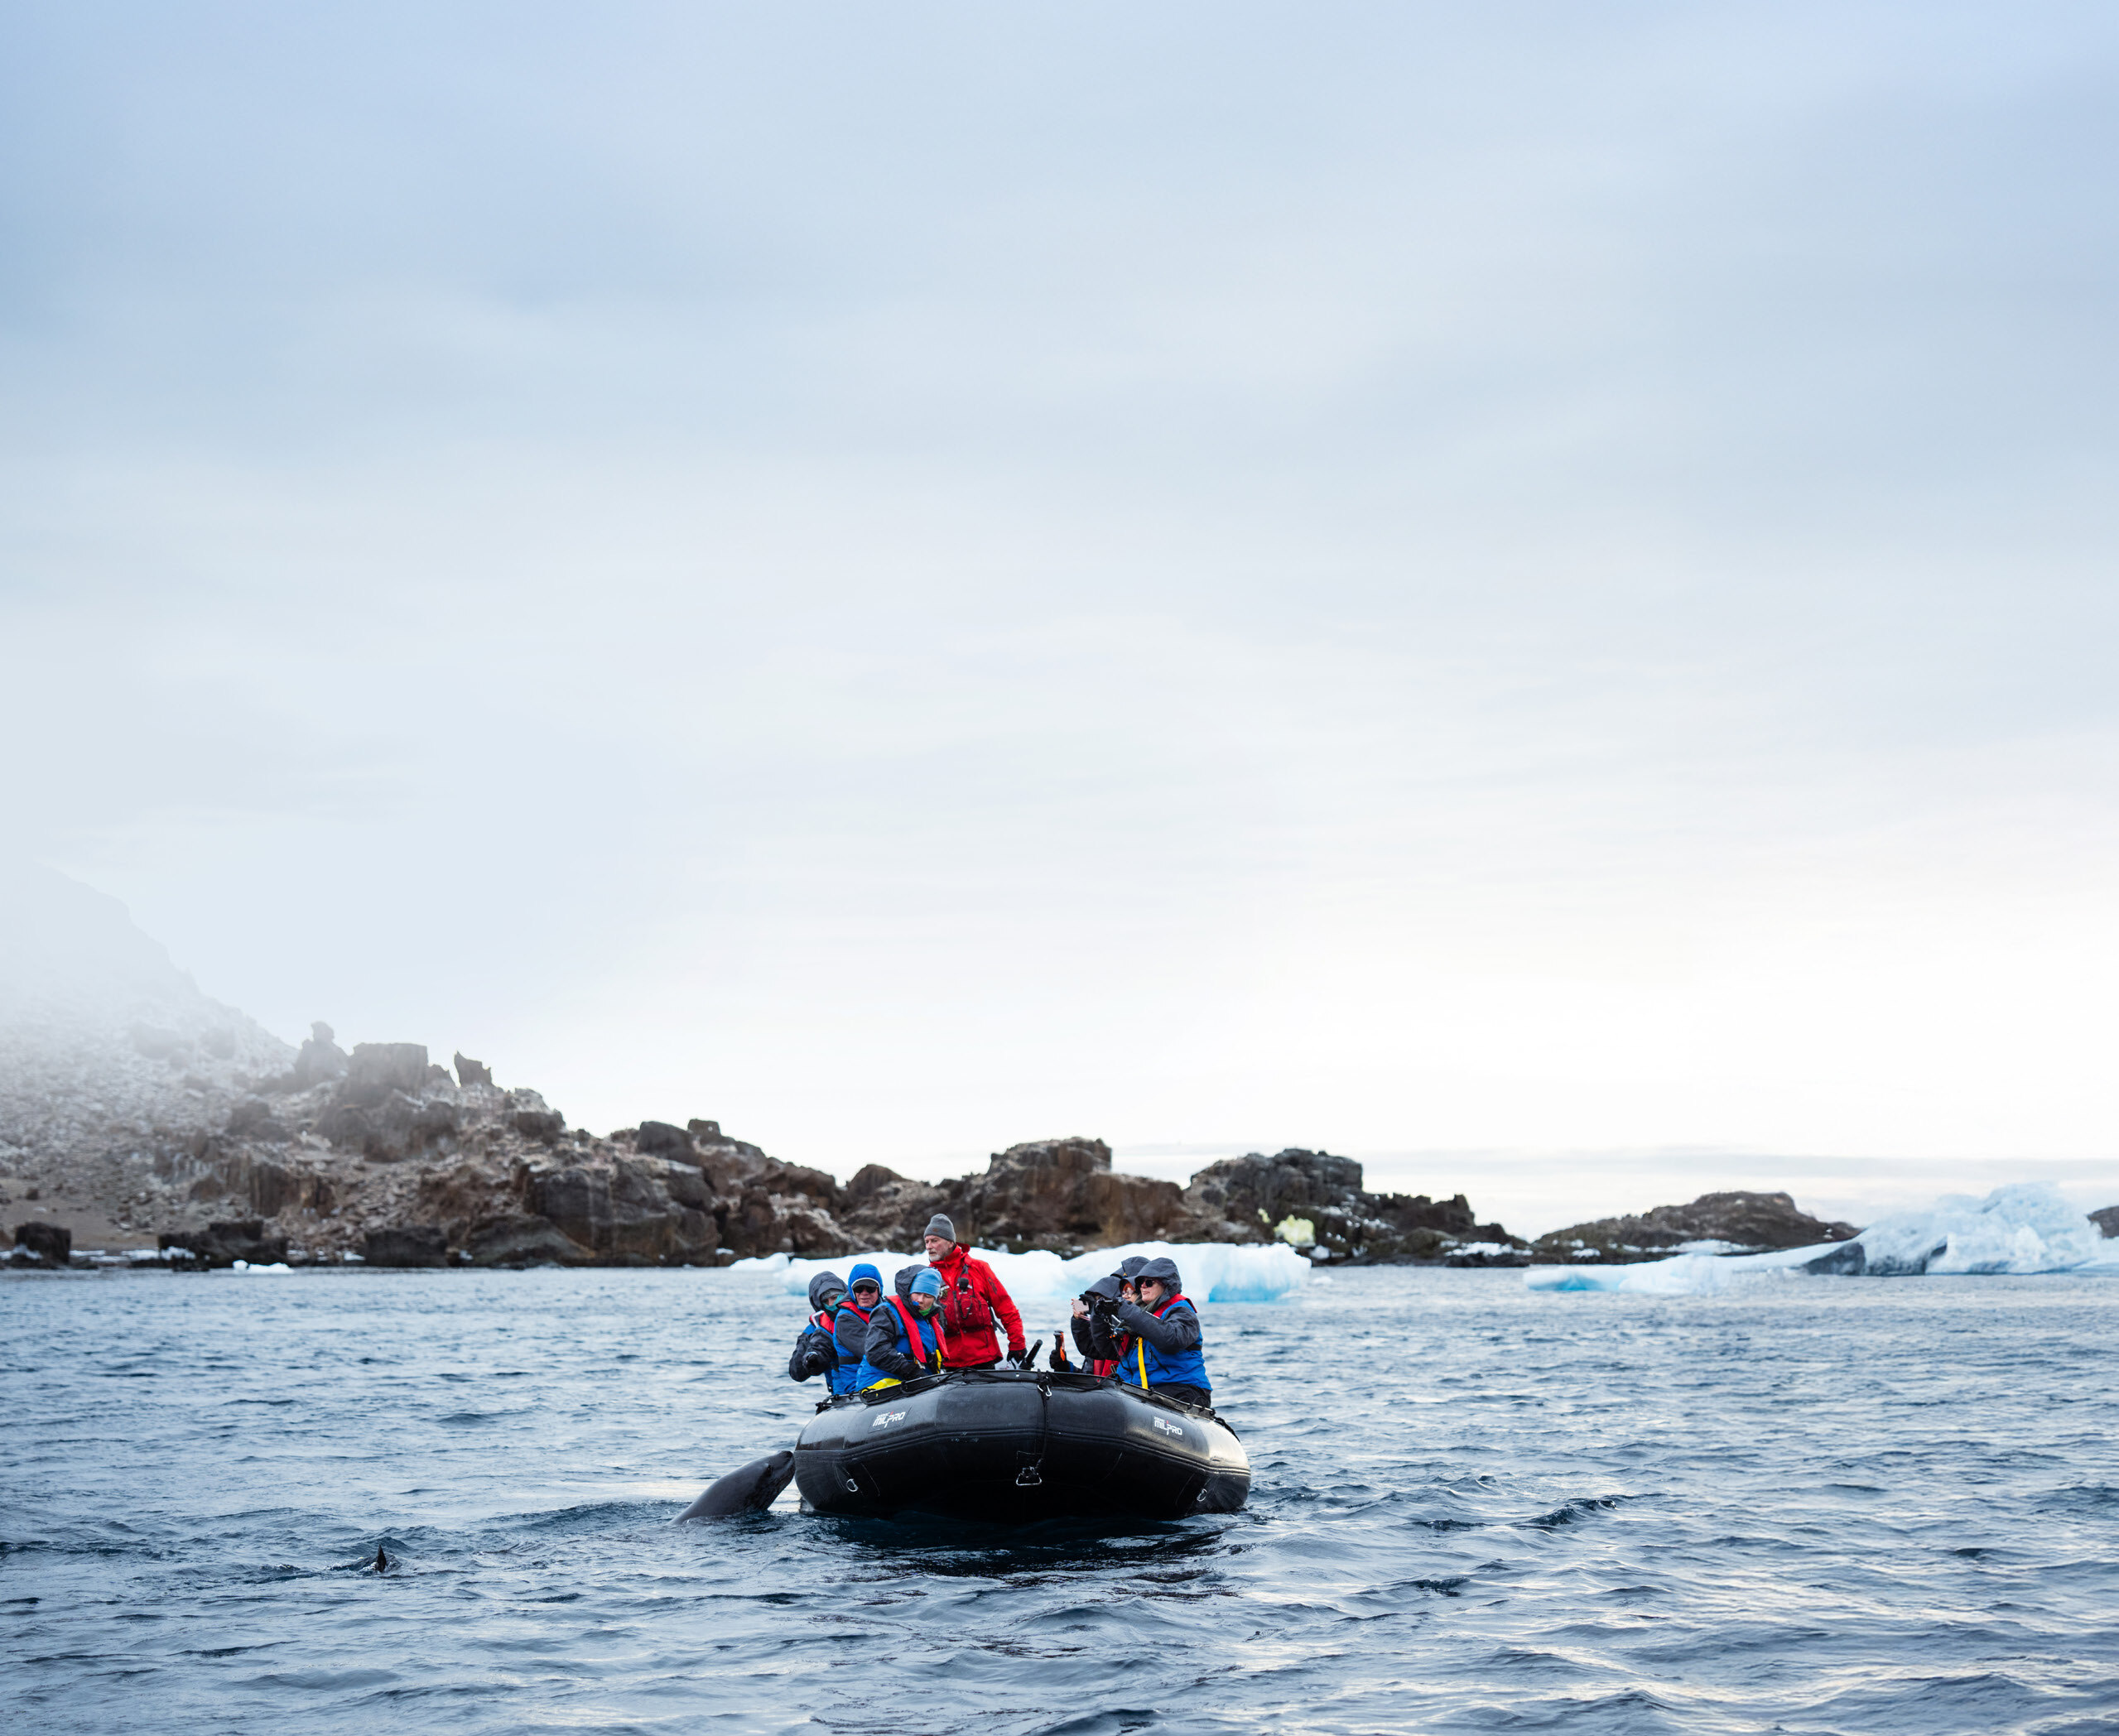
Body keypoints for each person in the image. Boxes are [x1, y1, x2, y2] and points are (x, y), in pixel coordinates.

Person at [922, 1214, 1028, 1370]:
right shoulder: (926, 1277)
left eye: (934, 1241)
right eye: (926, 1242)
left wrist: (1017, 1345)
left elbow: (1007, 1310)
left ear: (951, 1242)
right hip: (949, 1365)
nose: (929, 1246)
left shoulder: (979, 1269)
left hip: (984, 1360)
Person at [1106, 1256, 1210, 1408]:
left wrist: (1131, 1313)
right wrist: (1098, 1315)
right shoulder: (1136, 1318)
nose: (1143, 1287)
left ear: (1166, 1284)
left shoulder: (1182, 1311)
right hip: (1144, 1392)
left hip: (1181, 1390)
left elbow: (1171, 1340)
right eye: (1140, 1283)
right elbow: (1105, 1351)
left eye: (1149, 1282)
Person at [854, 1266, 950, 1389]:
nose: (920, 1300)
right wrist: (910, 1371)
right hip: (880, 1385)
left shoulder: (932, 1324)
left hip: (914, 1386)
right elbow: (876, 1351)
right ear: (909, 1292)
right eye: (917, 1293)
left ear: (934, 1299)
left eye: (927, 1296)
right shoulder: (886, 1312)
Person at [1071, 1255, 1147, 1375]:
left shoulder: (1136, 1323)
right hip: (1111, 1387)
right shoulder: (1106, 1327)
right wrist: (1079, 1319)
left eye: (1103, 1299)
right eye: (1097, 1300)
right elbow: (1091, 1349)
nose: (1099, 1304)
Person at [788, 1270, 855, 1393]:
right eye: (826, 1300)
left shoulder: (865, 1311)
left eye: (835, 1297)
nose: (832, 1303)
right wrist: (812, 1360)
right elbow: (796, 1373)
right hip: (842, 1394)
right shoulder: (814, 1329)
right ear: (818, 1303)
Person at [832, 1262, 884, 1385]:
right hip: (858, 1383)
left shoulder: (886, 1309)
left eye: (870, 1288)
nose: (864, 1293)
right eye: (858, 1289)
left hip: (882, 1376)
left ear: (879, 1289)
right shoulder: (845, 1319)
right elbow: (873, 1352)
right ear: (852, 1291)